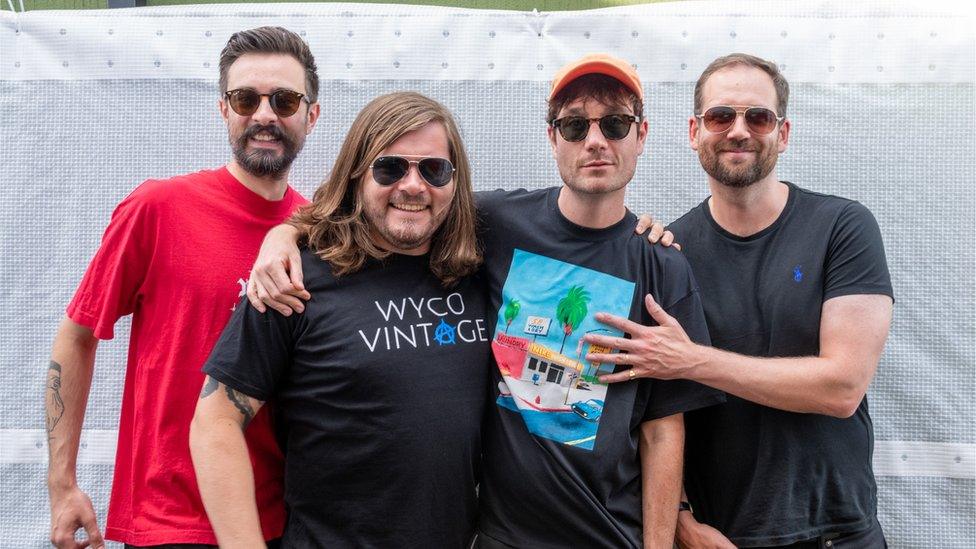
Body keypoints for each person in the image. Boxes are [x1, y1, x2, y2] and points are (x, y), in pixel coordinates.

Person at [247, 54, 723, 548]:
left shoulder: (663, 265)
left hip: (610, 535)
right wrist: (282, 234)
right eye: (576, 125)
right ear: (552, 137)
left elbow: (663, 429)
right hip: (500, 536)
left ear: (641, 136)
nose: (596, 141)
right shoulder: (494, 221)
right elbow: (380, 203)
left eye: (616, 124)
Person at [589, 53, 894, 548]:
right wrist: (682, 520)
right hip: (724, 538)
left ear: (784, 133)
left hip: (839, 534)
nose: (738, 130)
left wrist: (691, 361)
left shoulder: (842, 227)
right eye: (720, 116)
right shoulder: (669, 254)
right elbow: (657, 415)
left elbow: (842, 388)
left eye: (758, 117)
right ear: (694, 131)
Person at [45, 26, 320, 549]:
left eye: (284, 99)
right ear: (224, 109)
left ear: (312, 114)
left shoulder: (318, 234)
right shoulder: (158, 209)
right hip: (167, 522)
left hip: (278, 522)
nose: (265, 114)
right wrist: (62, 485)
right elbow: (77, 337)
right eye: (246, 98)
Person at [190, 91, 491, 548]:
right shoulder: (293, 280)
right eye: (390, 168)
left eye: (434, 169)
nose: (413, 186)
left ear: (455, 181)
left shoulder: (480, 273)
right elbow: (214, 422)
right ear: (357, 174)